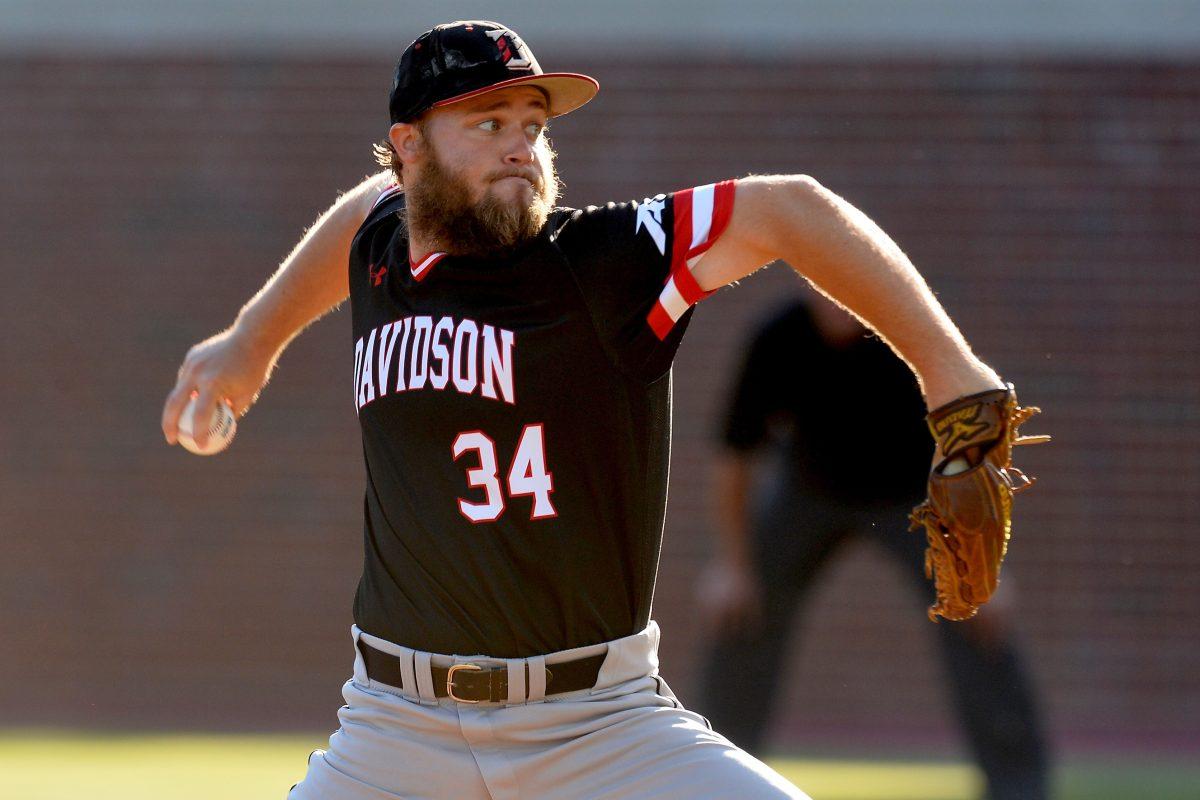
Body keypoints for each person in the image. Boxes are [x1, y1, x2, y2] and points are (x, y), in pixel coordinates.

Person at [161, 20, 1020, 800]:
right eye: (488, 125)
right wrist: (250, 342)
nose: (521, 149)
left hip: (601, 729)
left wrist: (952, 377)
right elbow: (360, 209)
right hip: (392, 732)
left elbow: (788, 206)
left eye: (533, 126)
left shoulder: (605, 265)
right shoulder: (381, 248)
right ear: (409, 149)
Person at [696, 292, 1050, 800]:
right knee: (739, 613)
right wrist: (733, 566)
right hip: (809, 491)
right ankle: (712, 781)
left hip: (914, 494)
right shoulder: (777, 338)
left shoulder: (909, 331)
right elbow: (735, 457)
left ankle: (1020, 787)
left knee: (976, 610)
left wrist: (984, 566)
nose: (838, 309)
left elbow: (971, 452)